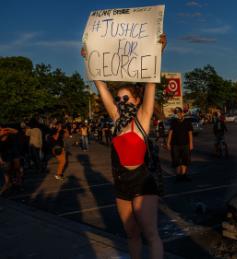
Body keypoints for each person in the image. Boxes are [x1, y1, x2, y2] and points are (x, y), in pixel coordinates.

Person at [81, 33, 166, 259]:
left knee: (150, 233)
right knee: (131, 234)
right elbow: (101, 87)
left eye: (126, 98)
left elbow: (150, 82)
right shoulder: (116, 119)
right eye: (119, 99)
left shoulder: (142, 119)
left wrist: (157, 51)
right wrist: (88, 59)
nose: (121, 102)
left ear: (136, 101)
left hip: (142, 182)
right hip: (121, 184)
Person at [166, 107, 194, 182]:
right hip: (175, 145)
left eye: (179, 112)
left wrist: (191, 144)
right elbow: (170, 132)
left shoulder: (187, 122)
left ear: (182, 113)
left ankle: (184, 175)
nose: (178, 114)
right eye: (176, 113)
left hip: (186, 144)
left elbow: (190, 133)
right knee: (176, 161)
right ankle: (178, 176)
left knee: (185, 160)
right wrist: (168, 143)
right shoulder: (174, 122)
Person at [0, 125, 21, 195]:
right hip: (5, 156)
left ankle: (17, 184)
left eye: (2, 129)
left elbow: (17, 132)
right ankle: (7, 184)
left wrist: (8, 129)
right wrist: (0, 160)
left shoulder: (10, 135)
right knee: (7, 171)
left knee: (17, 169)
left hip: (14, 154)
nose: (2, 131)